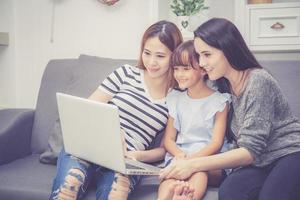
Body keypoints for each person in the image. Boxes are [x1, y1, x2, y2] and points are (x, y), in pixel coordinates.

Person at [159, 18, 300, 200]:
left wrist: (193, 164)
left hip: (288, 153)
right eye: (199, 55)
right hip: (260, 162)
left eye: (207, 55)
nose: (201, 62)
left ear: (228, 49)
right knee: (229, 192)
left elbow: (250, 150)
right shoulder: (222, 85)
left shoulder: (258, 81)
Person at [49, 20, 183, 200]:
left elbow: (164, 148)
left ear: (174, 56)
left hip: (126, 161)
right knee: (68, 188)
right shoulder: (126, 73)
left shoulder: (177, 98)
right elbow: (85, 111)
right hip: (90, 145)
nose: (151, 62)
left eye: (160, 56)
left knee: (115, 194)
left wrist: (138, 155)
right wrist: (114, 132)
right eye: (147, 53)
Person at [157, 40, 231, 200]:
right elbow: (169, 140)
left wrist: (190, 162)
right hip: (180, 156)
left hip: (209, 160)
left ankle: (188, 197)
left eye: (186, 69)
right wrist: (181, 157)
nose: (179, 74)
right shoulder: (175, 99)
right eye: (176, 69)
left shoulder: (219, 101)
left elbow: (216, 143)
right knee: (168, 179)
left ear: (203, 70)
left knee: (198, 171)